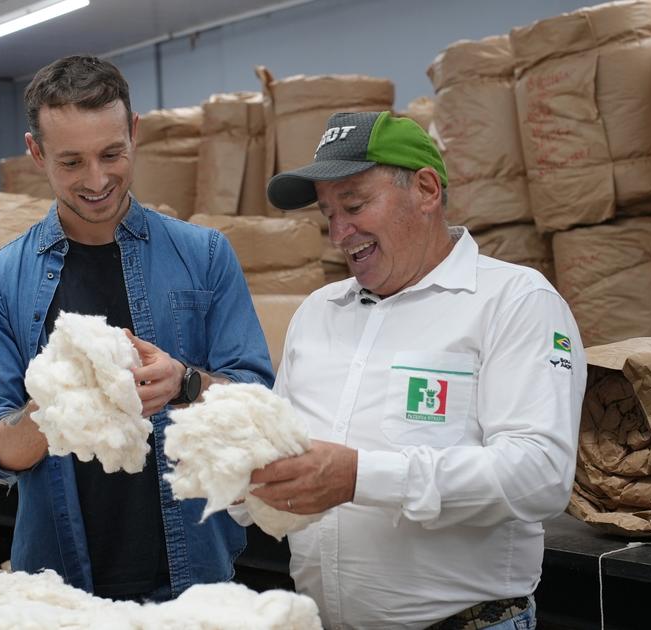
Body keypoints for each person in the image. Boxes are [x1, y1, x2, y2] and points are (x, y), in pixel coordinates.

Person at [247, 111, 587, 629]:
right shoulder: (318, 313)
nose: (339, 232)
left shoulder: (513, 301)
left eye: (355, 205)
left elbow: (539, 475)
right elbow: (286, 453)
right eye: (327, 213)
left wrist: (360, 477)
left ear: (426, 189)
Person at [0, 55, 273, 603]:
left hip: (194, 577)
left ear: (135, 133)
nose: (97, 180)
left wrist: (185, 384)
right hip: (57, 589)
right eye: (72, 162)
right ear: (36, 153)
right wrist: (53, 406)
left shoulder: (204, 256)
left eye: (111, 154)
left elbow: (260, 402)